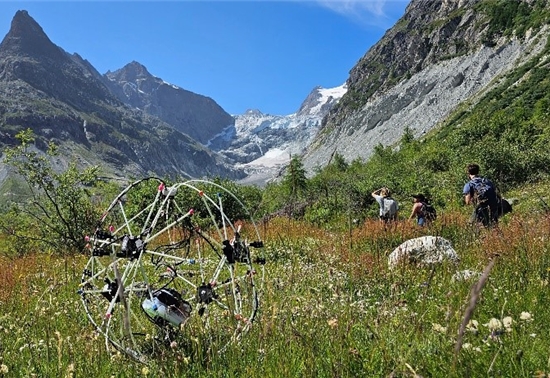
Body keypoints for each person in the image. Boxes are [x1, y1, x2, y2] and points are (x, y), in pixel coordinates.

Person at [463, 163, 499, 227]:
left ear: (468, 173)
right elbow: (496, 193)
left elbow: (468, 202)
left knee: (470, 226)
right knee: (494, 226)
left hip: (481, 208)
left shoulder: (469, 184)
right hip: (494, 207)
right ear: (478, 171)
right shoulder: (487, 181)